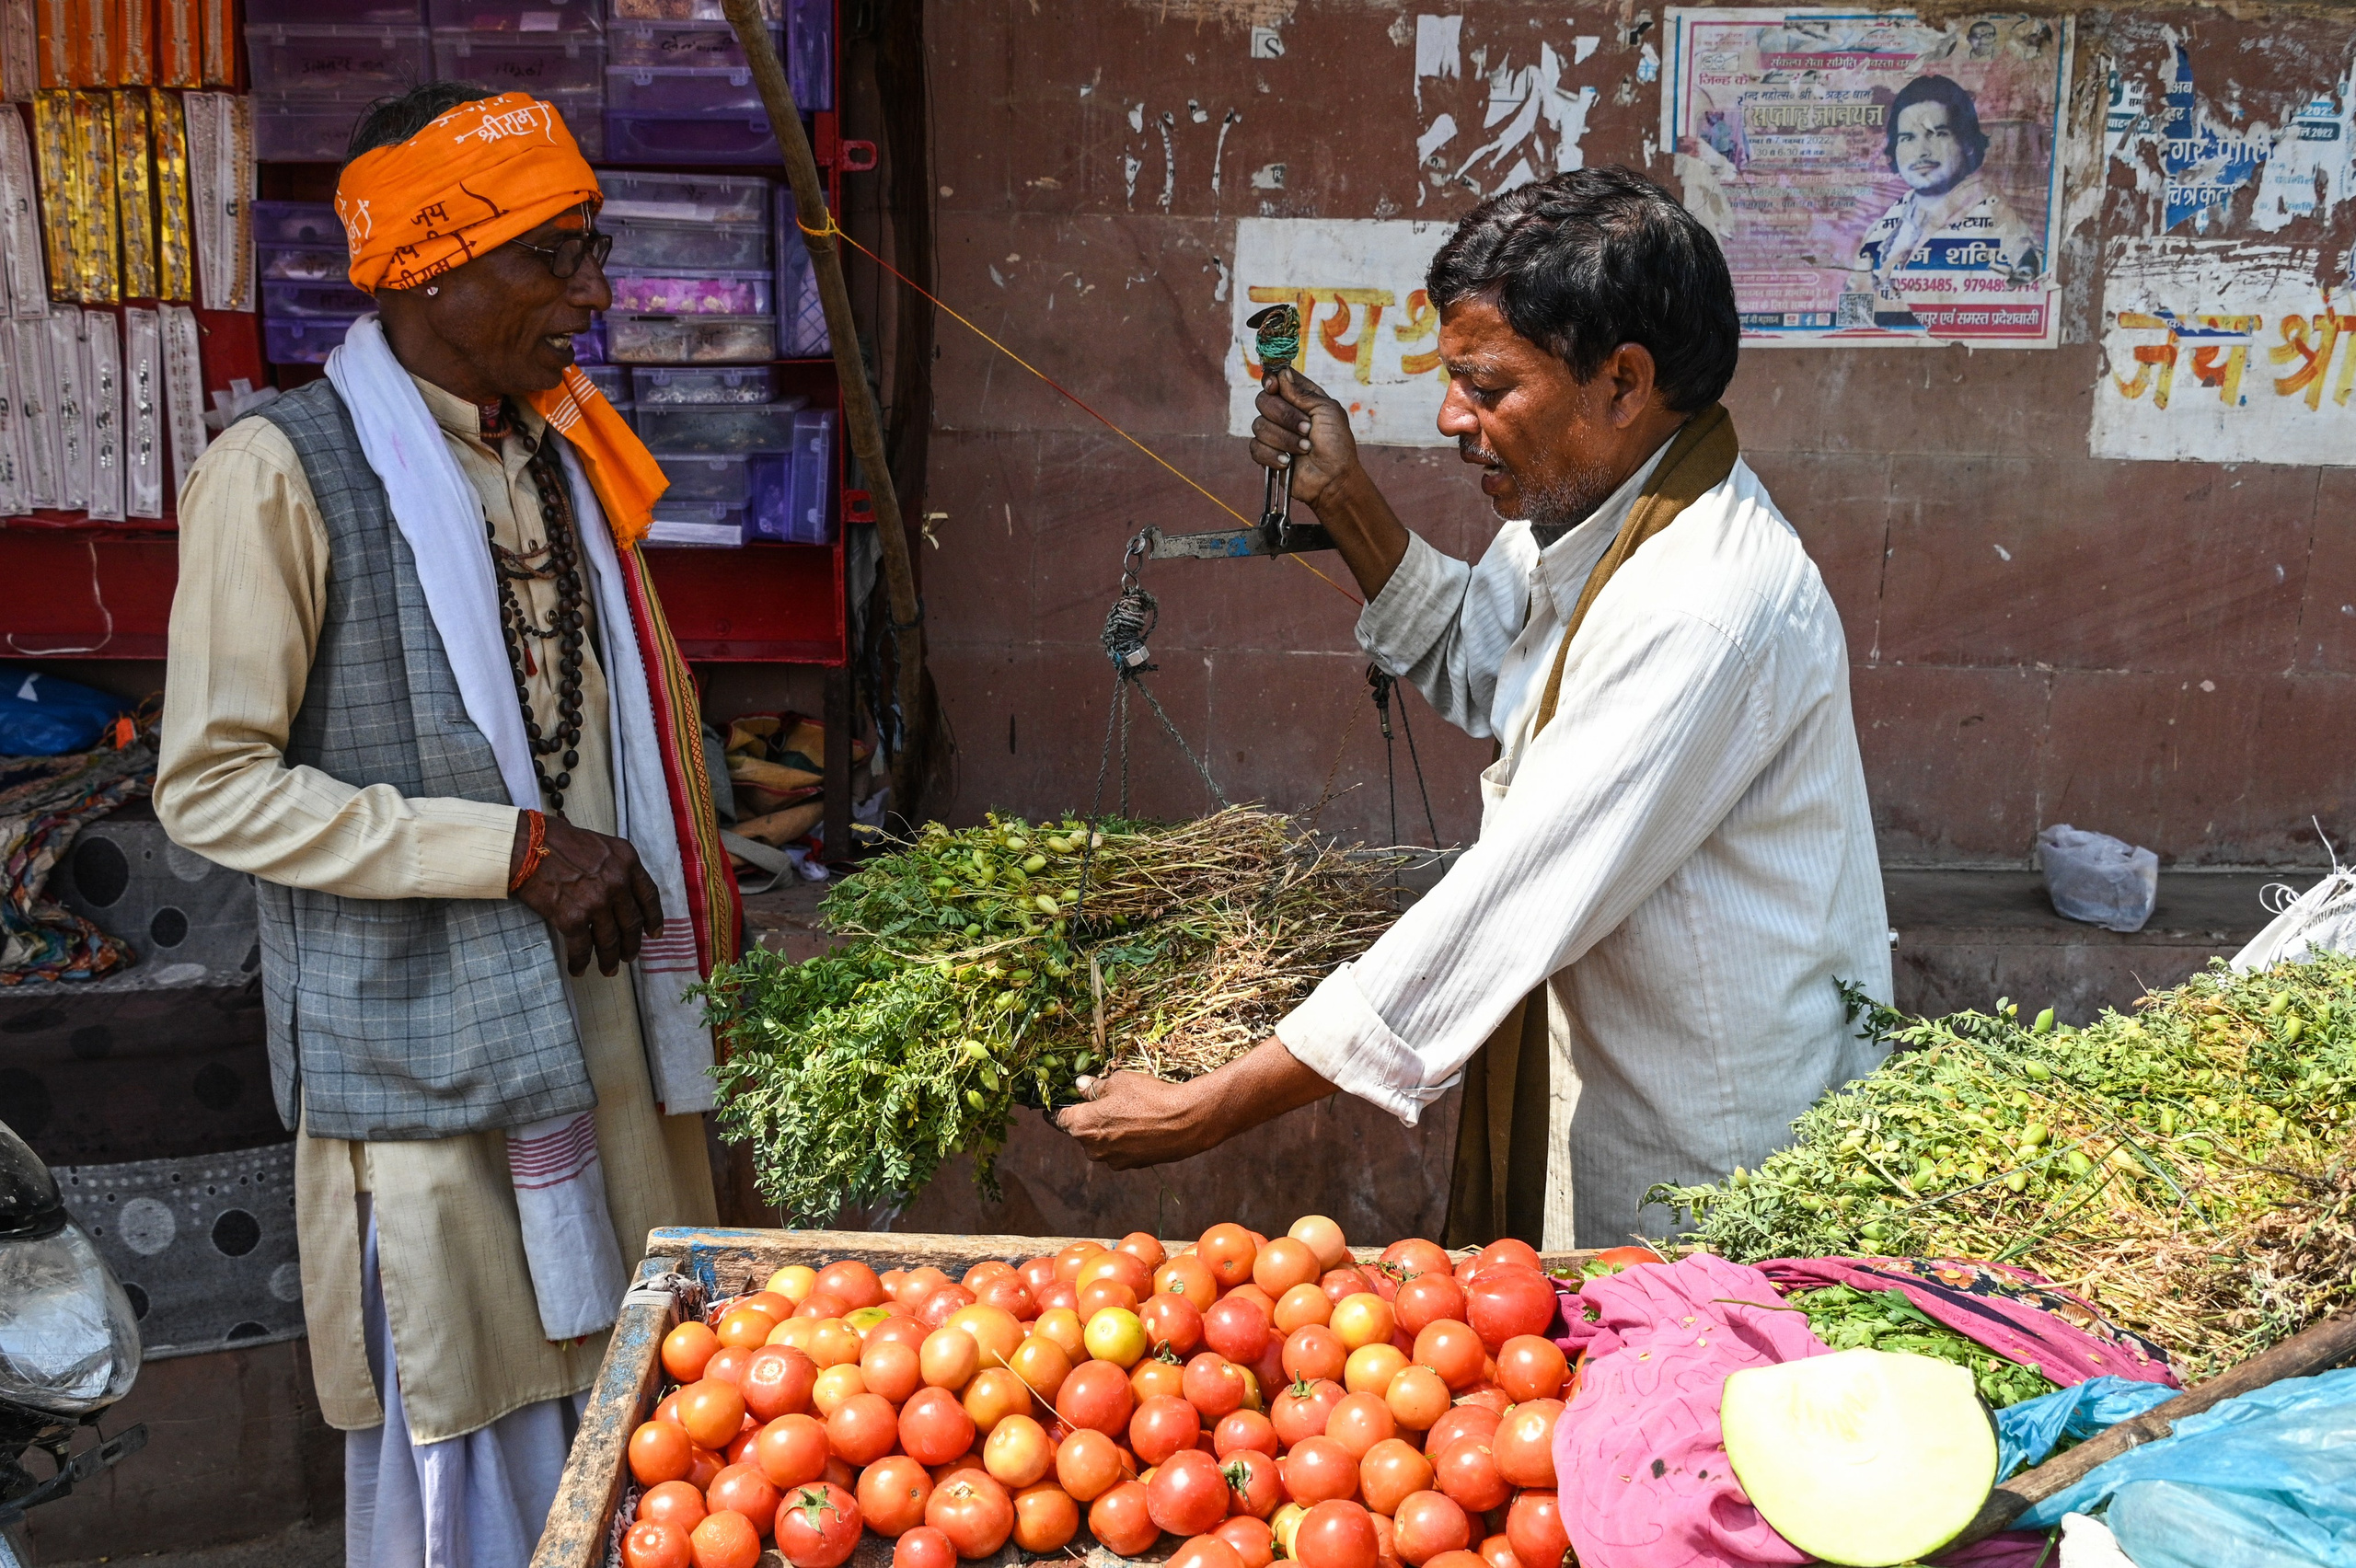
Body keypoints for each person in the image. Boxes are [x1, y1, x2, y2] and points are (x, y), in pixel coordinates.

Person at [1057, 168, 1889, 1251]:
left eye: (1486, 387)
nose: (1452, 418)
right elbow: (1474, 655)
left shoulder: (1700, 604)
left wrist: (1209, 1104)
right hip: (1620, 1086)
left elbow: (1505, 901)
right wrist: (1340, 494)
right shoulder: (1589, 515)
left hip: (1711, 1160)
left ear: (1622, 382)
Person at [155, 84, 734, 1566]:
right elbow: (211, 787)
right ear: (425, 268)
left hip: (604, 1034)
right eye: (555, 256)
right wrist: (512, 851)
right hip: (426, 1058)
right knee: (470, 1429)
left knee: (647, 1417)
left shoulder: (554, 456)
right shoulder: (279, 471)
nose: (594, 295)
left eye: (594, 249)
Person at [1849, 75, 2042, 328]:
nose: (1921, 152)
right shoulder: (1881, 229)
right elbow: (1853, 318)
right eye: (1907, 138)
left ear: (1968, 144)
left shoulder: (2001, 227)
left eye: (1938, 134)